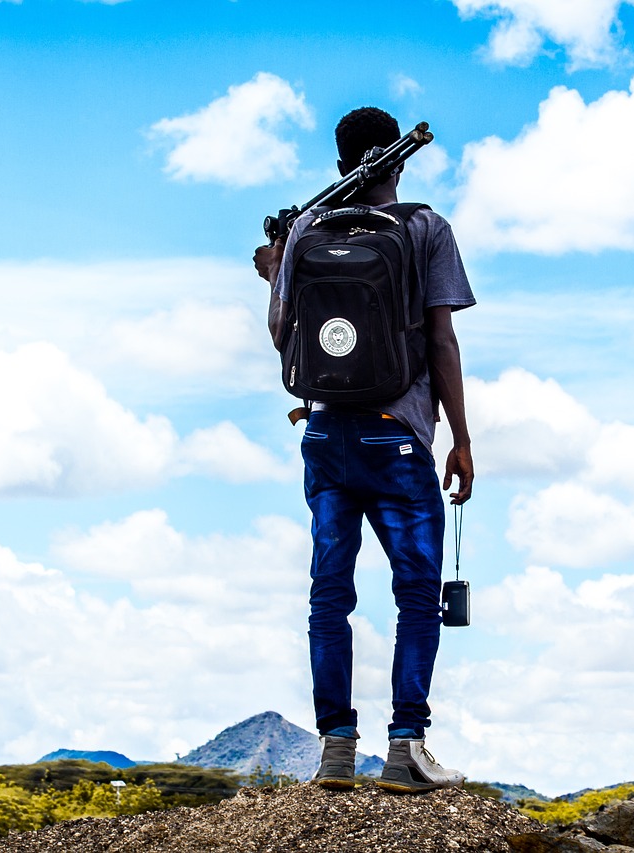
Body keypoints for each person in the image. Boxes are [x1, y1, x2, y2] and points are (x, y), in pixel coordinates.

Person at [253, 106, 475, 793]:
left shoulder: (305, 232)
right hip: (397, 433)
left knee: (329, 594)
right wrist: (461, 437)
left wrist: (274, 273)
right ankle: (407, 747)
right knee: (415, 592)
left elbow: (282, 335)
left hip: (324, 434)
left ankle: (336, 750)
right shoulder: (425, 228)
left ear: (339, 160)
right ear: (399, 161)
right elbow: (440, 340)